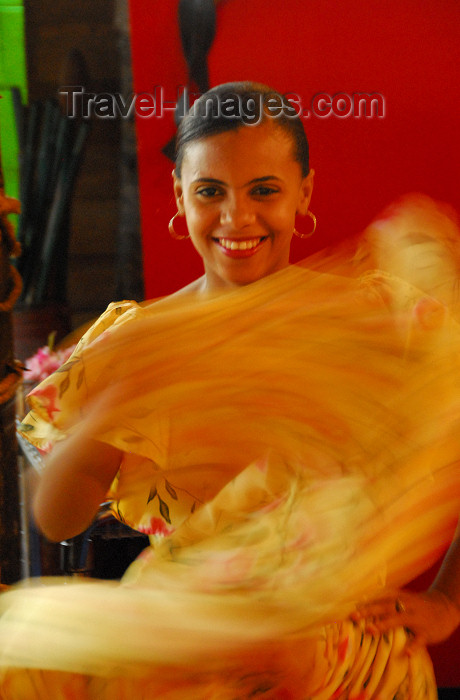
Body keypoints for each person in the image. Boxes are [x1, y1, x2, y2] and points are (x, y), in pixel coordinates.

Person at [1, 82, 460, 699]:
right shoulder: (140, 340)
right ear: (179, 199)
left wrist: (447, 602)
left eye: (263, 191)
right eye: (209, 192)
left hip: (350, 668)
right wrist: (108, 411)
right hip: (191, 661)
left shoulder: (378, 320)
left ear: (305, 192)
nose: (235, 218)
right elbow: (57, 520)